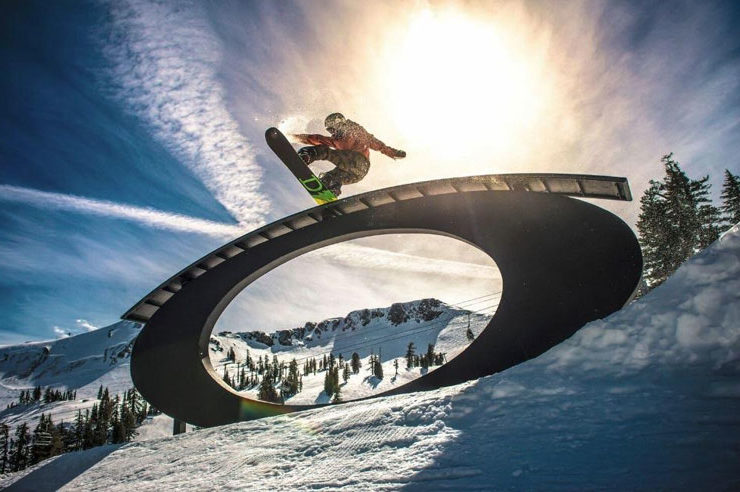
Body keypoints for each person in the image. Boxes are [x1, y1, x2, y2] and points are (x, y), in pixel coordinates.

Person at [291, 113, 406, 196]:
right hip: (357, 174)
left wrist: (393, 152)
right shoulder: (335, 140)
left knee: (323, 151)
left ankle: (305, 156)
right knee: (331, 178)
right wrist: (294, 137)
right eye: (330, 130)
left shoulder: (355, 131)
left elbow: (376, 144)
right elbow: (316, 138)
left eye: (332, 128)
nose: (332, 132)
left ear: (339, 123)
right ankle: (331, 190)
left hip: (359, 161)